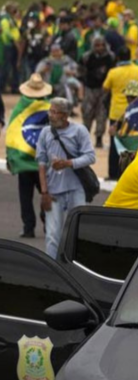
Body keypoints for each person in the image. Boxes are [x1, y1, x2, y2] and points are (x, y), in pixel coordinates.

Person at [36, 97, 96, 259]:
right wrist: (44, 192)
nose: (51, 115)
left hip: (76, 190)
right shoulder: (45, 133)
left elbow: (90, 157)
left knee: (77, 231)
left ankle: (75, 266)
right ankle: (52, 270)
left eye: (55, 112)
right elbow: (41, 164)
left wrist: (69, 163)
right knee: (52, 235)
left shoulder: (79, 131)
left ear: (65, 115)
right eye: (50, 111)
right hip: (53, 192)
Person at [7, 74, 53, 238]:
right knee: (47, 192)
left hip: (24, 161)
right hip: (44, 162)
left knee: (25, 197)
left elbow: (12, 135)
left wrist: (11, 158)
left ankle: (28, 227)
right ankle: (48, 222)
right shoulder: (50, 107)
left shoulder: (19, 109)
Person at [103, 45, 138, 179]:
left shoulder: (113, 72)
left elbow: (105, 88)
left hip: (117, 112)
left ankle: (114, 173)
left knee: (116, 143)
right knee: (135, 143)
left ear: (118, 58)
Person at [79, 35, 115, 148]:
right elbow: (80, 72)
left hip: (104, 90)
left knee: (102, 114)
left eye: (102, 45)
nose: (99, 48)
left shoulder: (110, 57)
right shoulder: (86, 57)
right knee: (87, 113)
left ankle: (99, 138)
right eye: (97, 45)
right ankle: (84, 139)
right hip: (90, 89)